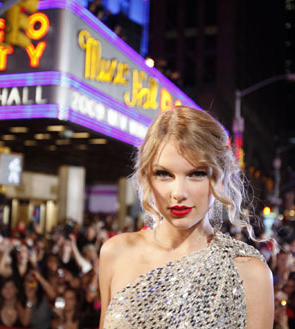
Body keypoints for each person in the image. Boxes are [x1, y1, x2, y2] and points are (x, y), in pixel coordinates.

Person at [99, 106, 274, 328]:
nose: (178, 193)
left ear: (221, 179)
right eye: (164, 174)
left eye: (197, 174)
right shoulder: (115, 253)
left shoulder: (250, 273)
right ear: (147, 177)